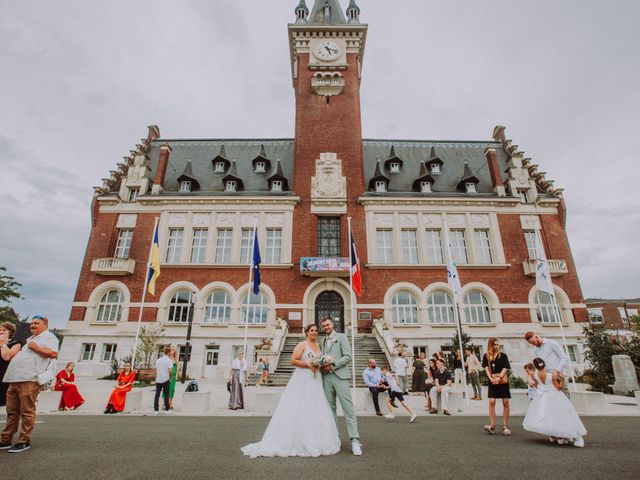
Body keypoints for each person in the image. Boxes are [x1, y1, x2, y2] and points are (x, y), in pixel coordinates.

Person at [241, 325, 340, 457]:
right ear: (306, 332)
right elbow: (293, 360)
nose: (314, 332)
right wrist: (308, 365)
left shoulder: (318, 345)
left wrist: (322, 364)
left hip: (316, 379)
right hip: (303, 378)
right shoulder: (302, 344)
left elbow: (318, 362)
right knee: (299, 405)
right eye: (312, 330)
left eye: (316, 330)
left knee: (314, 407)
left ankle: (317, 439)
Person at [0, 315, 59, 453]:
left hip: (29, 379)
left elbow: (53, 354)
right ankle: (5, 439)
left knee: (27, 410)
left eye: (36, 323)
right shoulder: (31, 339)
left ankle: (24, 440)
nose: (32, 325)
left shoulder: (48, 338)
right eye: (32, 323)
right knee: (12, 411)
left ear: (45, 325)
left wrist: (36, 348)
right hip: (15, 379)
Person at [320, 317, 362, 456]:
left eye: (328, 324)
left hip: (340, 376)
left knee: (348, 409)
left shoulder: (342, 337)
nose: (326, 327)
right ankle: (335, 437)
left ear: (333, 325)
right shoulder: (322, 341)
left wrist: (333, 365)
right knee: (330, 409)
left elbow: (348, 356)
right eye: (324, 325)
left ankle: (355, 440)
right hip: (326, 378)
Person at [522, 358, 586, 448]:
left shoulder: (535, 375)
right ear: (544, 364)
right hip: (555, 395)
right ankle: (571, 436)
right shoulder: (551, 375)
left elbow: (537, 386)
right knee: (563, 415)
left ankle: (555, 435)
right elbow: (559, 387)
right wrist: (562, 378)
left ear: (535, 367)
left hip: (542, 397)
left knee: (550, 416)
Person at [482, 337, 511, 436]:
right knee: (492, 401)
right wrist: (490, 378)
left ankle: (505, 426)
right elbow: (486, 368)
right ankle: (492, 425)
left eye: (498, 344)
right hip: (492, 380)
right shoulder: (486, 356)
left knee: (505, 401)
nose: (497, 346)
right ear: (490, 345)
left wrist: (499, 377)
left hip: (502, 380)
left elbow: (505, 368)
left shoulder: (503, 356)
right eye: (494, 344)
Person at [0, 322, 22, 407]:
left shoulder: (16, 343)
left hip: (4, 376)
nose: (1, 331)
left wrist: (3, 344)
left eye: (4, 330)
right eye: (0, 330)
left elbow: (7, 357)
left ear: (10, 332)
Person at [154, 346, 173, 415]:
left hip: (158, 379)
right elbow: (170, 371)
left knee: (157, 394)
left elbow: (156, 370)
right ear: (169, 353)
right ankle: (167, 409)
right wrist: (170, 378)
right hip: (166, 379)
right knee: (166, 394)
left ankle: (156, 410)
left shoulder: (158, 360)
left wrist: (156, 377)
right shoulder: (169, 360)